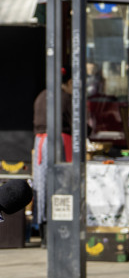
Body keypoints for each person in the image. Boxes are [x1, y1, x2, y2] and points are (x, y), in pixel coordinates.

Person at [32, 68, 73, 231]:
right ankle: (57, 224)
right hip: (58, 142)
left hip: (40, 143)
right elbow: (76, 124)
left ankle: (42, 225)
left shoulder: (41, 96)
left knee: (41, 185)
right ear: (69, 83)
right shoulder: (66, 98)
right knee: (60, 185)